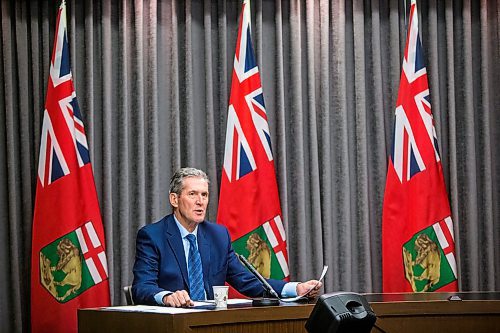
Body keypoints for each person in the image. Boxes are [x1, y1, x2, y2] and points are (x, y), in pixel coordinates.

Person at [132, 167, 322, 307]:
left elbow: (246, 281)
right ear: (174, 199)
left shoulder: (218, 235)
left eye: (204, 195)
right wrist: (166, 297)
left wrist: (296, 289)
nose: (200, 202)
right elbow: (141, 287)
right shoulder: (152, 236)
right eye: (192, 194)